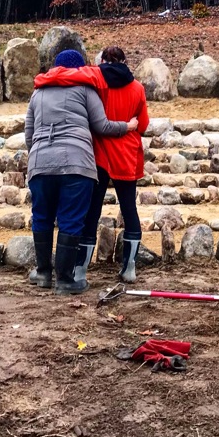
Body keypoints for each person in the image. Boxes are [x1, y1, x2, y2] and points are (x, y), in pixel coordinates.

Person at [24, 49, 138, 295]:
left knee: (41, 216)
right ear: (79, 69)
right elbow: (102, 125)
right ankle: (65, 279)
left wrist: (40, 156)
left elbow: (29, 134)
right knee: (71, 219)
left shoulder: (38, 92)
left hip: (40, 163)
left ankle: (43, 273)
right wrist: (127, 125)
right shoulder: (86, 89)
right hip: (77, 164)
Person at [77, 46, 149, 283]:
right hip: (127, 153)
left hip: (100, 154)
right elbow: (143, 125)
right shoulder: (137, 88)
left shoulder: (97, 84)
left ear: (103, 60)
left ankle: (80, 270)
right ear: (125, 60)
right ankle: (129, 268)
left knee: (92, 211)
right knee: (129, 209)